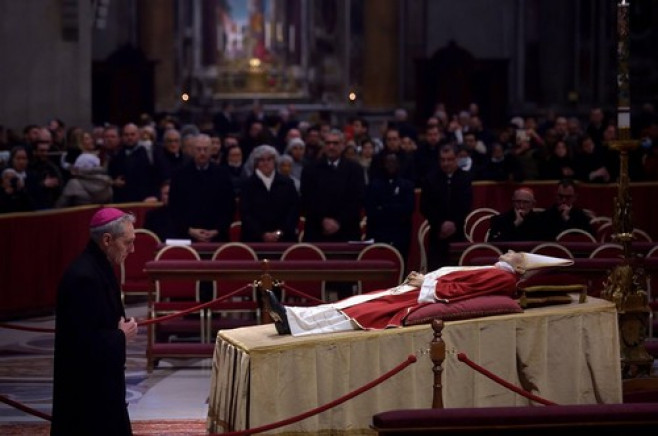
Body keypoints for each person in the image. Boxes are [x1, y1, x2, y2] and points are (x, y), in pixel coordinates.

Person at [264, 251, 573, 336]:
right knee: (356, 302)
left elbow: (461, 292)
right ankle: (292, 316)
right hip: (421, 290)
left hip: (422, 296)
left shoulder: (500, 277)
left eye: (515, 253)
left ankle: (293, 322)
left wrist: (425, 282)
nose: (508, 251)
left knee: (364, 311)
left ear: (518, 265)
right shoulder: (498, 271)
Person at [50, 207, 139, 436]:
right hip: (86, 393)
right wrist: (121, 336)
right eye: (127, 242)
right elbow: (81, 343)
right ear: (107, 240)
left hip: (103, 385)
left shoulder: (100, 267)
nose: (132, 249)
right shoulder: (83, 277)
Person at [419, 144, 473, 270]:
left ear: (457, 159)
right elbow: (425, 206)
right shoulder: (430, 179)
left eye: (449, 159)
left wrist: (454, 223)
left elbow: (466, 204)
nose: (446, 163)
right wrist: (440, 224)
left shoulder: (465, 178)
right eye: (442, 160)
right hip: (437, 235)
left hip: (458, 233)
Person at [239, 145, 300, 242]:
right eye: (262, 160)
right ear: (256, 163)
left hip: (284, 238)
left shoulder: (287, 183)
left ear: (275, 161)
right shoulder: (247, 185)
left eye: (269, 159)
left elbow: (293, 211)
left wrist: (279, 232)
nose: (266, 163)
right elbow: (246, 214)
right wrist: (262, 234)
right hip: (254, 240)